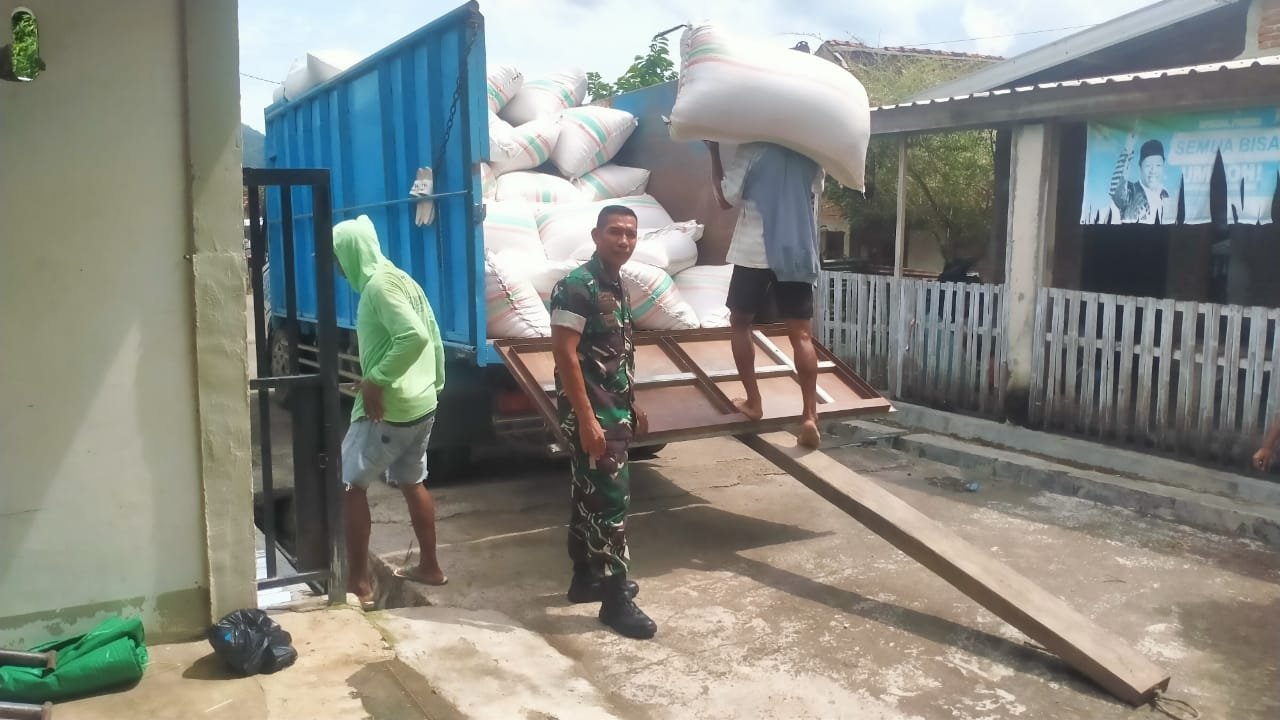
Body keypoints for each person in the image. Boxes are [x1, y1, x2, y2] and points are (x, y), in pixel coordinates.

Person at [549, 205, 656, 640]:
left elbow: (616, 354)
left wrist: (632, 404)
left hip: (614, 409)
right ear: (596, 236)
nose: (624, 240)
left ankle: (585, 579)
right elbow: (565, 354)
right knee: (611, 503)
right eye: (615, 232)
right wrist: (588, 421)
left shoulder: (617, 284)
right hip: (593, 414)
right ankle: (614, 601)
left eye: (631, 234)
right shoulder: (576, 287)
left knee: (587, 493)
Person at [332, 215, 448, 610]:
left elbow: (415, 336)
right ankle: (430, 566)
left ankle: (358, 584)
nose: (336, 265)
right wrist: (435, 383)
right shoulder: (400, 279)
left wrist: (375, 381)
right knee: (412, 481)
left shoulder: (379, 288)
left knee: (350, 485)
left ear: (352, 252)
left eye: (337, 256)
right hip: (421, 403)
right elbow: (433, 334)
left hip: (389, 408)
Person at [708, 140, 826, 448]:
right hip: (796, 252)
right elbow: (815, 188)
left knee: (740, 323)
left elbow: (725, 198)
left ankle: (754, 402)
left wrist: (713, 152)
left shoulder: (751, 150)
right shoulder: (810, 152)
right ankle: (809, 416)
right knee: (801, 334)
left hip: (754, 252)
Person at [1110, 135, 1171, 224]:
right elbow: (1116, 188)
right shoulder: (1131, 191)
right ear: (1140, 166)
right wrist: (1128, 149)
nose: (1153, 171)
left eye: (1158, 165)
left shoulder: (1165, 194)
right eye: (1148, 165)